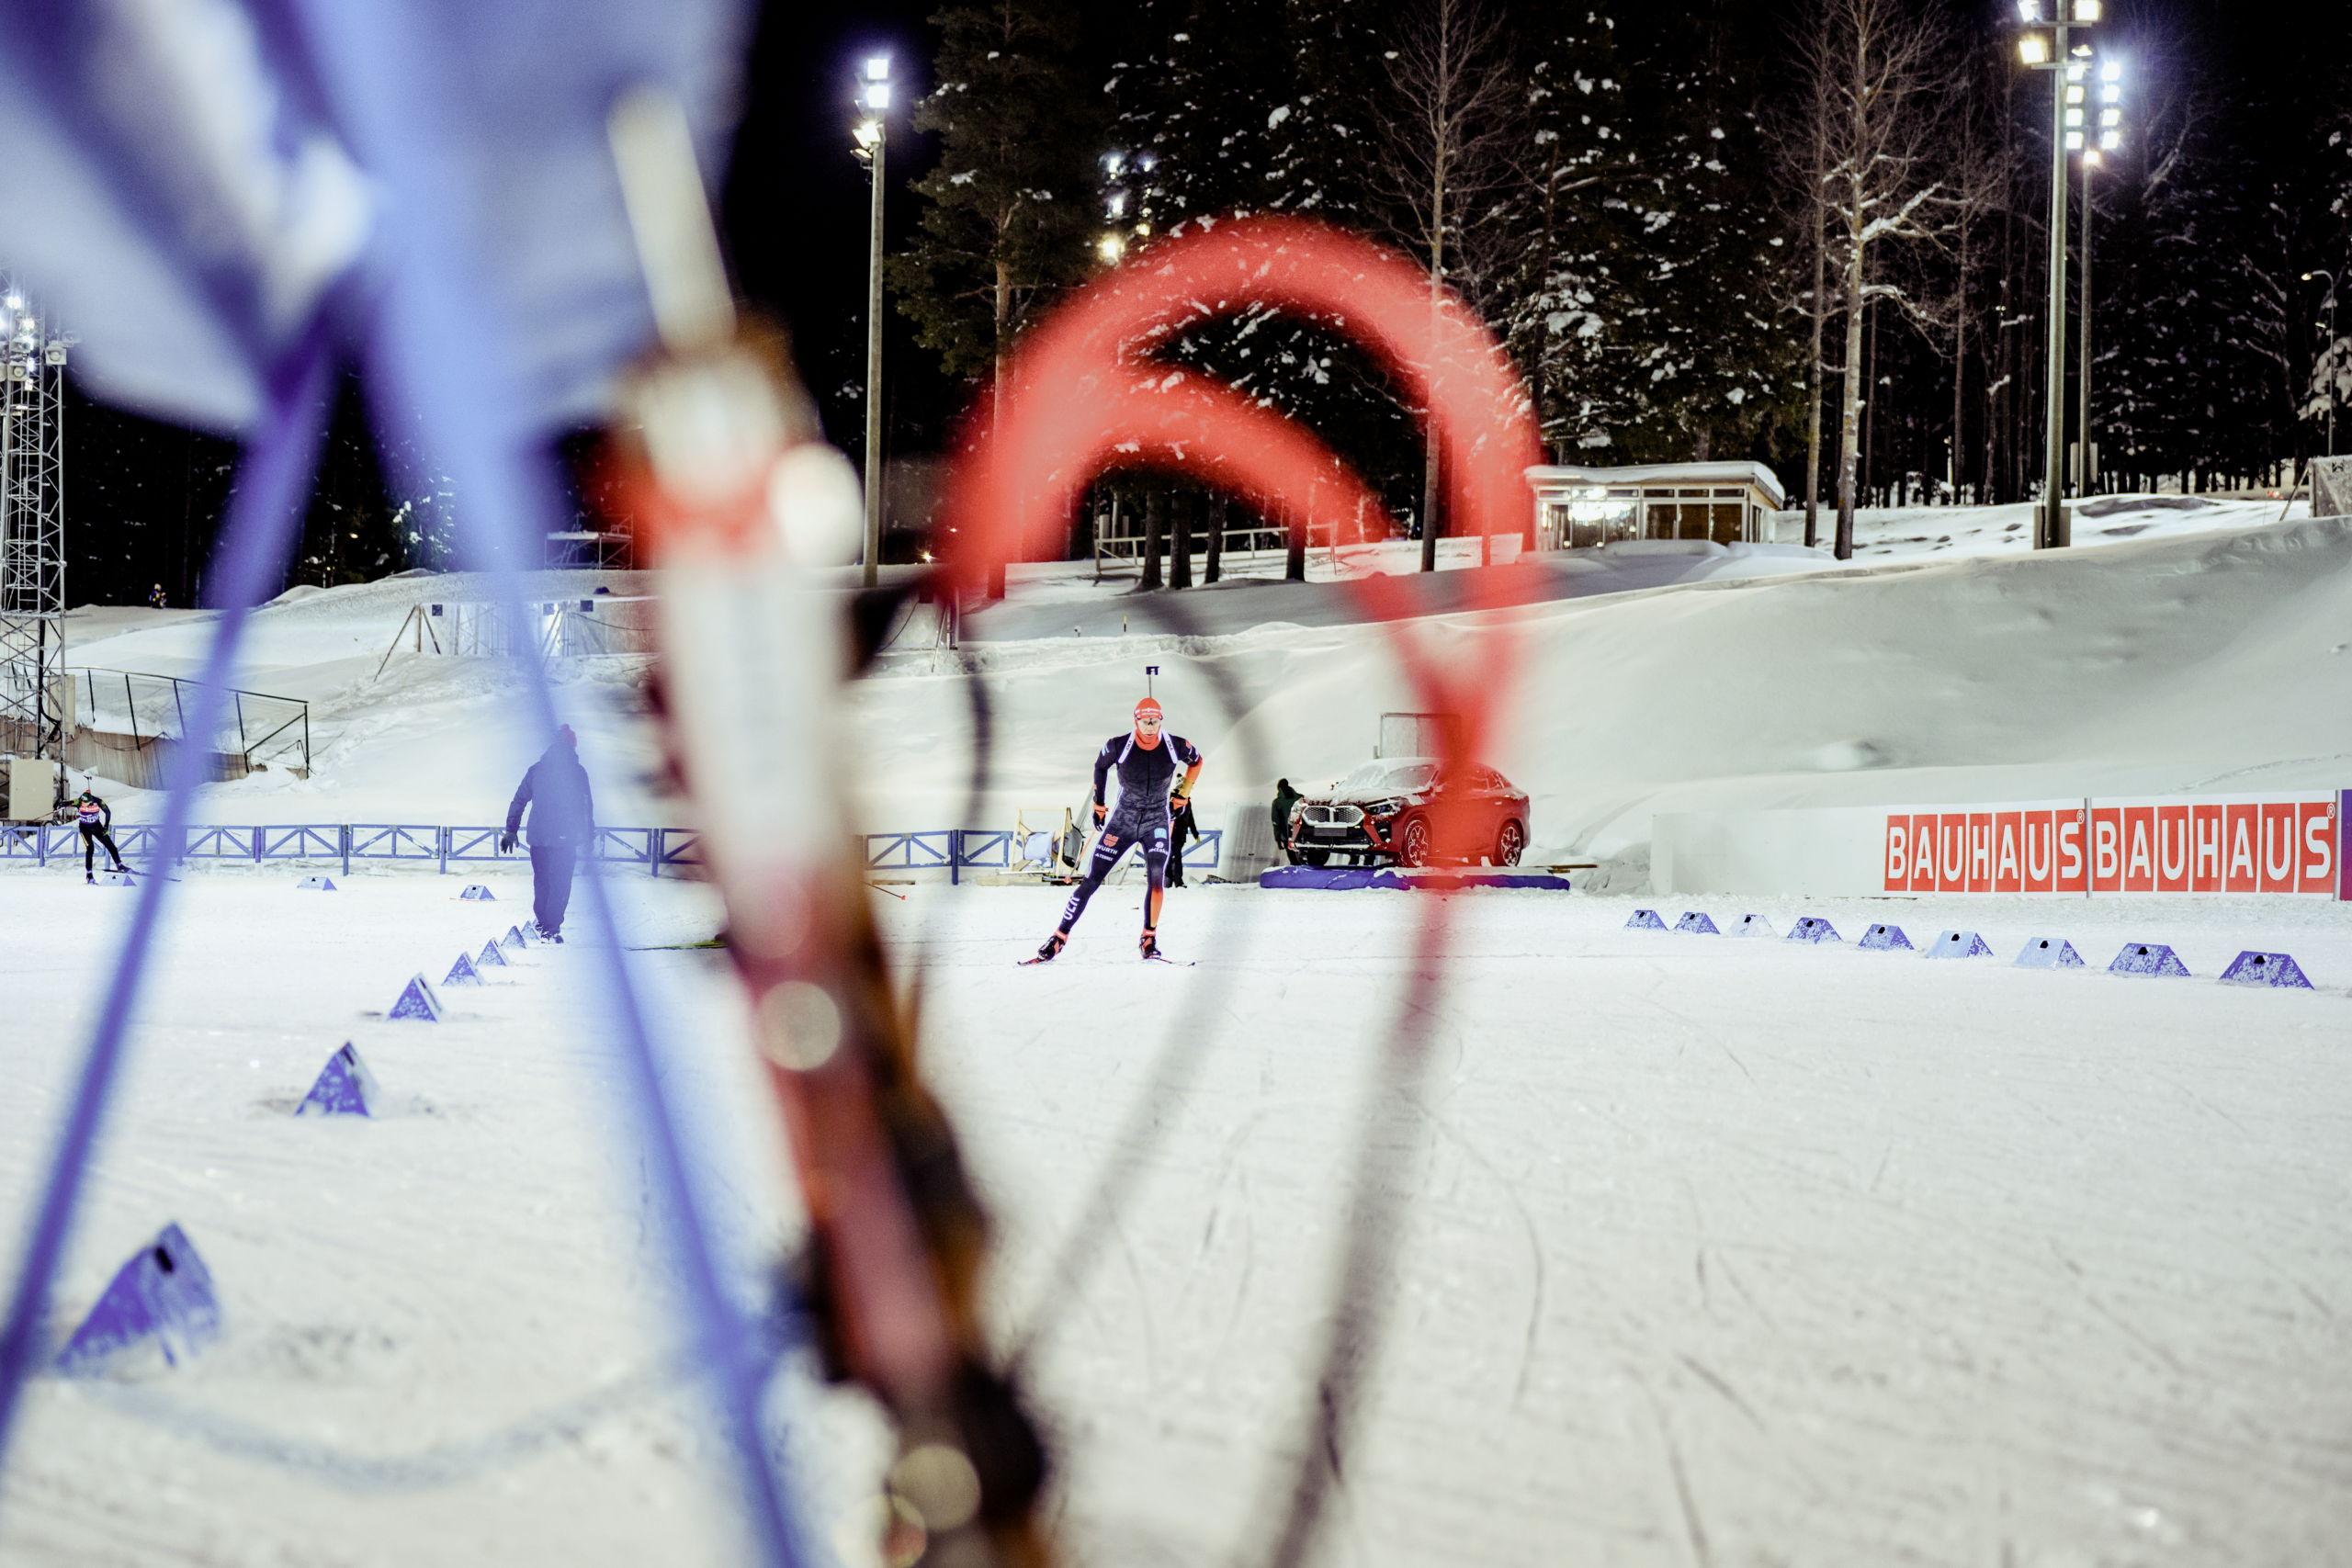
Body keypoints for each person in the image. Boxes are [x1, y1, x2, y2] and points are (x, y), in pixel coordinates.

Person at [1027, 695, 1204, 964]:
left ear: (1161, 721)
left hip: (1156, 819)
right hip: (1123, 820)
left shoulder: (1174, 745)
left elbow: (1197, 761)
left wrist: (1183, 795)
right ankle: (1059, 937)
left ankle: (1149, 938)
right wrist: (1099, 805)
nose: (1149, 727)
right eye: (1144, 722)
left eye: (1154, 721)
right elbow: (1100, 767)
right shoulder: (1119, 745)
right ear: (1136, 721)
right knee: (1092, 880)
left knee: (1156, 879)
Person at [502, 725, 594, 942]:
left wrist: (510, 830)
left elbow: (519, 801)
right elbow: (586, 807)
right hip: (565, 838)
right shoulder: (577, 772)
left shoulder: (536, 769)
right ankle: (550, 929)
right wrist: (589, 838)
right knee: (560, 883)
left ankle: (543, 922)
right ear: (571, 745)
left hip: (538, 838)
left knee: (542, 881)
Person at [74, 788, 128, 883]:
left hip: (97, 827)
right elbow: (64, 803)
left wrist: (106, 826)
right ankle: (89, 874)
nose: (82, 802)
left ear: (90, 801)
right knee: (90, 848)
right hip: (84, 829)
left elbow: (108, 812)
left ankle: (119, 865)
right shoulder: (79, 802)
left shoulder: (97, 801)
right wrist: (64, 805)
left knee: (111, 846)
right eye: (81, 800)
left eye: (84, 802)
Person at [1166, 793, 1200, 888]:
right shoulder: (1171, 800)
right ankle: (1175, 882)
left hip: (1181, 836)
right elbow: (1169, 815)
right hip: (1171, 834)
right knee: (1175, 858)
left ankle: (1168, 881)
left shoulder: (1187, 801)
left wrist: (1195, 834)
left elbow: (1190, 818)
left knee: (1173, 857)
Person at [1271, 777, 1302, 863]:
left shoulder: (1277, 803)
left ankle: (1297, 875)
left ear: (1279, 789)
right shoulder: (1300, 798)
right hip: (1301, 833)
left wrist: (1278, 839)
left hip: (1286, 835)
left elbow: (1276, 823)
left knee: (1293, 860)